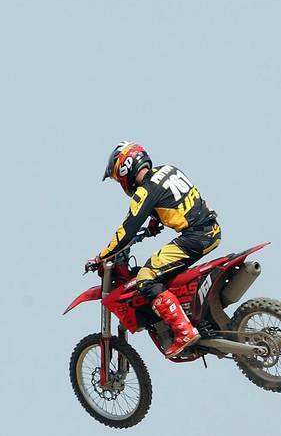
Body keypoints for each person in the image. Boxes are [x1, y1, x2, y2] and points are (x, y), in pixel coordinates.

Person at [88, 141, 221, 357]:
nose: (121, 184)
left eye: (118, 178)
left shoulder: (145, 191)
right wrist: (154, 221)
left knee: (146, 278)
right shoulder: (169, 170)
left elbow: (126, 231)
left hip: (195, 237)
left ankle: (184, 331)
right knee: (164, 273)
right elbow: (176, 200)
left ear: (126, 169)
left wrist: (101, 256)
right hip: (211, 229)